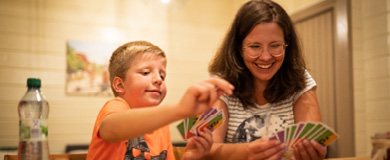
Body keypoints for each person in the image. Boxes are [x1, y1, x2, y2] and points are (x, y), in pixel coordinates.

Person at [206, 0, 327, 159]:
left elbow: (312, 139)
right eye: (255, 47)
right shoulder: (221, 84)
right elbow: (205, 150)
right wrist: (247, 151)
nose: (265, 57)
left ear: (287, 44)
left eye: (275, 45)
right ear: (238, 48)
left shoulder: (300, 79)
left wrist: (313, 152)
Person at [86, 40, 234, 160]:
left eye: (162, 75)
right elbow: (111, 128)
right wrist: (179, 109)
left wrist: (188, 157)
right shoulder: (117, 106)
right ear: (120, 85)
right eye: (145, 72)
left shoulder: (161, 126)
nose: (158, 79)